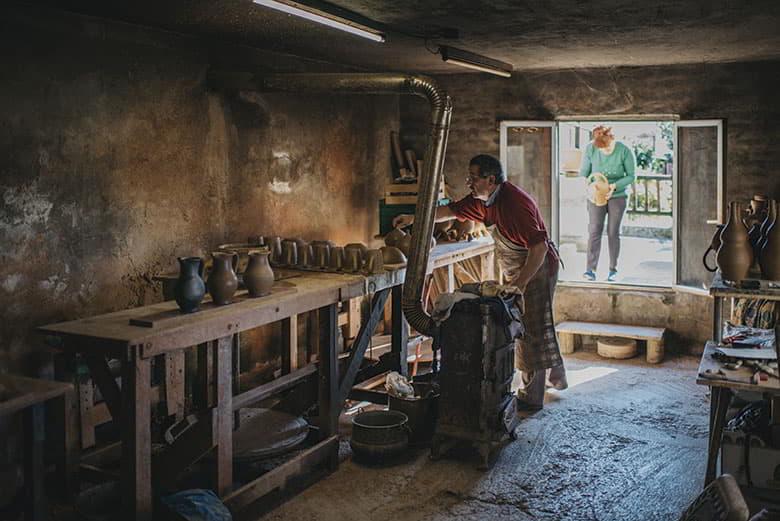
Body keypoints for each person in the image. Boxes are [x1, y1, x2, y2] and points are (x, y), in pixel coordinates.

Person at [393, 154, 566, 410]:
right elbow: (448, 211)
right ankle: (557, 376)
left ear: (491, 179)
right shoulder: (481, 201)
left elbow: (539, 247)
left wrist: (519, 283)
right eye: (469, 178)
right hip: (517, 266)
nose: (469, 182)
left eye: (474, 178)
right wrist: (413, 218)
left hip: (537, 267)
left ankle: (532, 397)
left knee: (531, 328)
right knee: (536, 323)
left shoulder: (515, 203)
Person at [580, 126, 636, 282]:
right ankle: (590, 270)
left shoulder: (624, 150)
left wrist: (614, 186)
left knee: (613, 232)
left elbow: (631, 176)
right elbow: (584, 173)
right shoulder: (591, 149)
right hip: (596, 195)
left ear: (612, 138)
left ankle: (613, 270)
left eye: (607, 148)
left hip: (617, 195)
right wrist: (590, 188)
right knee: (594, 230)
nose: (604, 151)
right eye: (601, 149)